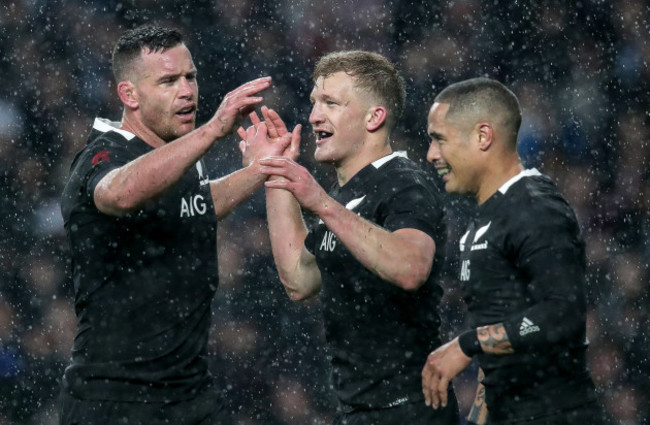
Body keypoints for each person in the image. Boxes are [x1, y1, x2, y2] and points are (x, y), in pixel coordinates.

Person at [59, 25, 290, 425]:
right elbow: (121, 193)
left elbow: (194, 205)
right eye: (168, 81)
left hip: (189, 395)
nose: (187, 91)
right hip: (115, 401)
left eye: (191, 77)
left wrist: (260, 169)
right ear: (129, 95)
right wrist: (214, 129)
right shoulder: (102, 154)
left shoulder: (177, 153)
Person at [240, 50, 460, 425]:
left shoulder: (404, 182)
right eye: (313, 103)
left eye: (331, 103)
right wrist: (277, 174)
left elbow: (411, 267)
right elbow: (299, 278)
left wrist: (321, 204)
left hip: (408, 411)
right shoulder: (344, 198)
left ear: (374, 117)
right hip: (361, 410)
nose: (313, 116)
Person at [421, 78, 609, 425]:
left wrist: (467, 343)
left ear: (483, 136)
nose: (431, 154)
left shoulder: (535, 208)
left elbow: (562, 314)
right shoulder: (482, 221)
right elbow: (496, 351)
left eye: (440, 139)